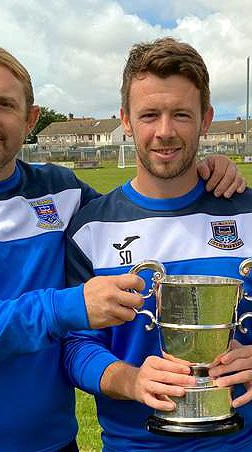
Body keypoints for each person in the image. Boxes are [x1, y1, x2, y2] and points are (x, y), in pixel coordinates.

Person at [0, 40, 244, 451]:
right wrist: (70, 308)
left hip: (52, 443)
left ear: (31, 118)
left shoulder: (63, 194)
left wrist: (212, 175)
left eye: (5, 105)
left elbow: (148, 212)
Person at [64, 37, 252, 451]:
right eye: (149, 115)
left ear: (205, 120)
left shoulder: (246, 212)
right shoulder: (90, 228)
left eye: (181, 115)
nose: (164, 132)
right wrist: (130, 380)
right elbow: (75, 345)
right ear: (126, 120)